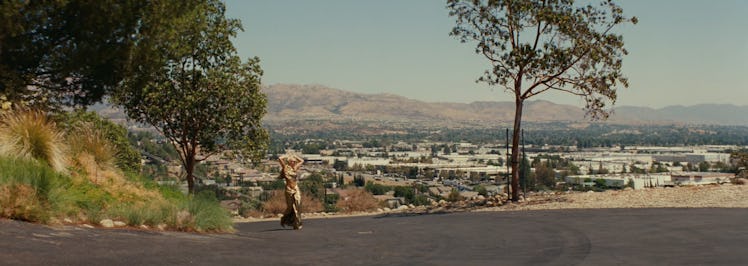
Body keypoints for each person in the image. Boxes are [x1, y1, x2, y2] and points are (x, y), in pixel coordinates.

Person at [278, 154, 304, 229]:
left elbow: (302, 161)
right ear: (289, 162)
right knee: (290, 207)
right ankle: (284, 219)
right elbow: (280, 158)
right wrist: (287, 155)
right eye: (292, 161)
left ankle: (297, 223)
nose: (294, 162)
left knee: (297, 205)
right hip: (289, 189)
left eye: (294, 161)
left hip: (296, 188)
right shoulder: (285, 167)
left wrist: (295, 155)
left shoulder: (295, 168)